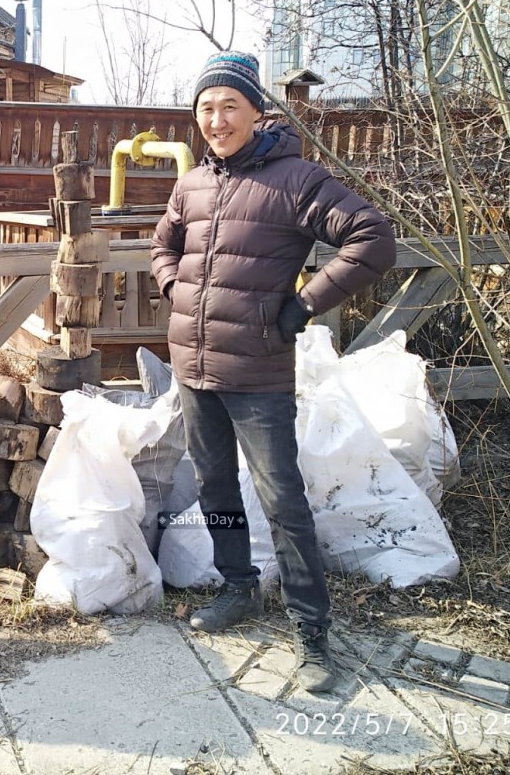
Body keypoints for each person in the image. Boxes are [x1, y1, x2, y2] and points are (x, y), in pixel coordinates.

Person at [151, 51, 396, 692]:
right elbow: (162, 245)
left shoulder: (296, 179)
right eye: (206, 106)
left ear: (257, 112)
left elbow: (371, 236)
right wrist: (174, 286)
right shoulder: (193, 183)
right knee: (216, 488)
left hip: (258, 373)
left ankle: (312, 634)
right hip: (194, 366)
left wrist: (304, 304)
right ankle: (239, 589)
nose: (216, 118)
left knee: (282, 501)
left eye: (230, 104)